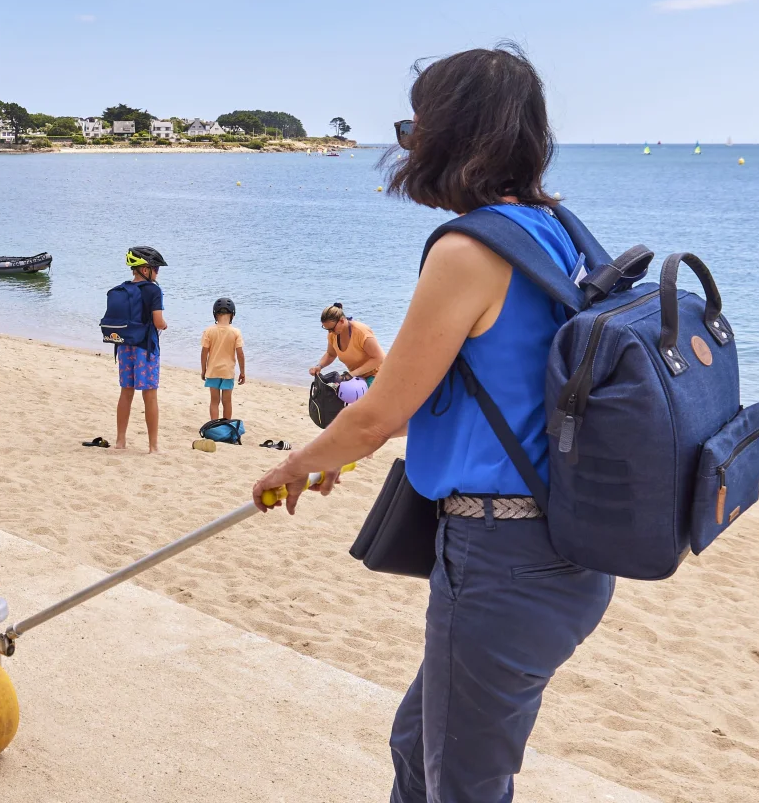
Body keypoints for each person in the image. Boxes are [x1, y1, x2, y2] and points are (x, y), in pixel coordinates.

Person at [250, 46, 613, 803]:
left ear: (451, 132)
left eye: (416, 123)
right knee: (421, 749)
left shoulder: (469, 249)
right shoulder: (557, 230)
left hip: (503, 553)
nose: (407, 142)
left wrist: (291, 465)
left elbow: (380, 414)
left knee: (459, 783)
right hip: (562, 548)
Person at [112, 246, 167, 453]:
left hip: (125, 347)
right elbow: (158, 321)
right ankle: (153, 447)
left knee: (126, 393)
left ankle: (120, 441)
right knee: (150, 395)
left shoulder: (123, 288)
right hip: (146, 347)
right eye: (156, 268)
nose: (158, 272)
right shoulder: (154, 290)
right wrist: (164, 325)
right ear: (145, 269)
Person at [311, 303, 386, 384]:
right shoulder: (333, 334)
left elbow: (379, 358)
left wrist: (352, 374)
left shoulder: (361, 332)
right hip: (357, 377)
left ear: (342, 321)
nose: (329, 332)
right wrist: (319, 366)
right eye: (327, 329)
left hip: (378, 374)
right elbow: (330, 354)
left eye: (332, 329)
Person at [200, 297, 246, 421]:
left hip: (213, 371)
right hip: (228, 372)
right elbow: (240, 354)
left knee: (214, 401)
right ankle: (226, 425)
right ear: (232, 314)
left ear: (215, 314)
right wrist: (242, 372)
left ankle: (214, 424)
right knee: (227, 401)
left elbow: (204, 352)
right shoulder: (236, 332)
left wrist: (203, 369)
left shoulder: (209, 331)